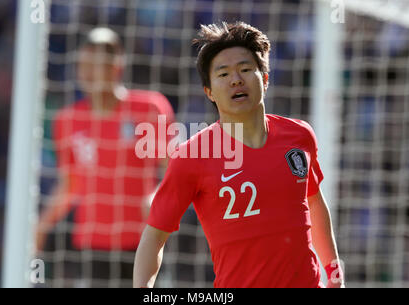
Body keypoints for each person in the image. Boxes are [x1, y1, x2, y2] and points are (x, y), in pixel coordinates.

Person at [133, 21, 344, 288]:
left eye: (245, 69)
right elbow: (154, 237)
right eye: (223, 74)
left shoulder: (300, 136)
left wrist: (336, 278)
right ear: (209, 92)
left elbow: (314, 204)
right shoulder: (192, 156)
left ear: (265, 79)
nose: (236, 79)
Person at [36, 27, 174, 287]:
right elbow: (70, 184)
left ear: (116, 65)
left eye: (95, 63)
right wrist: (41, 226)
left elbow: (173, 171)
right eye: (82, 64)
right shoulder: (67, 120)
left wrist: (156, 198)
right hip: (91, 245)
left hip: (145, 239)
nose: (86, 72)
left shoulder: (150, 108)